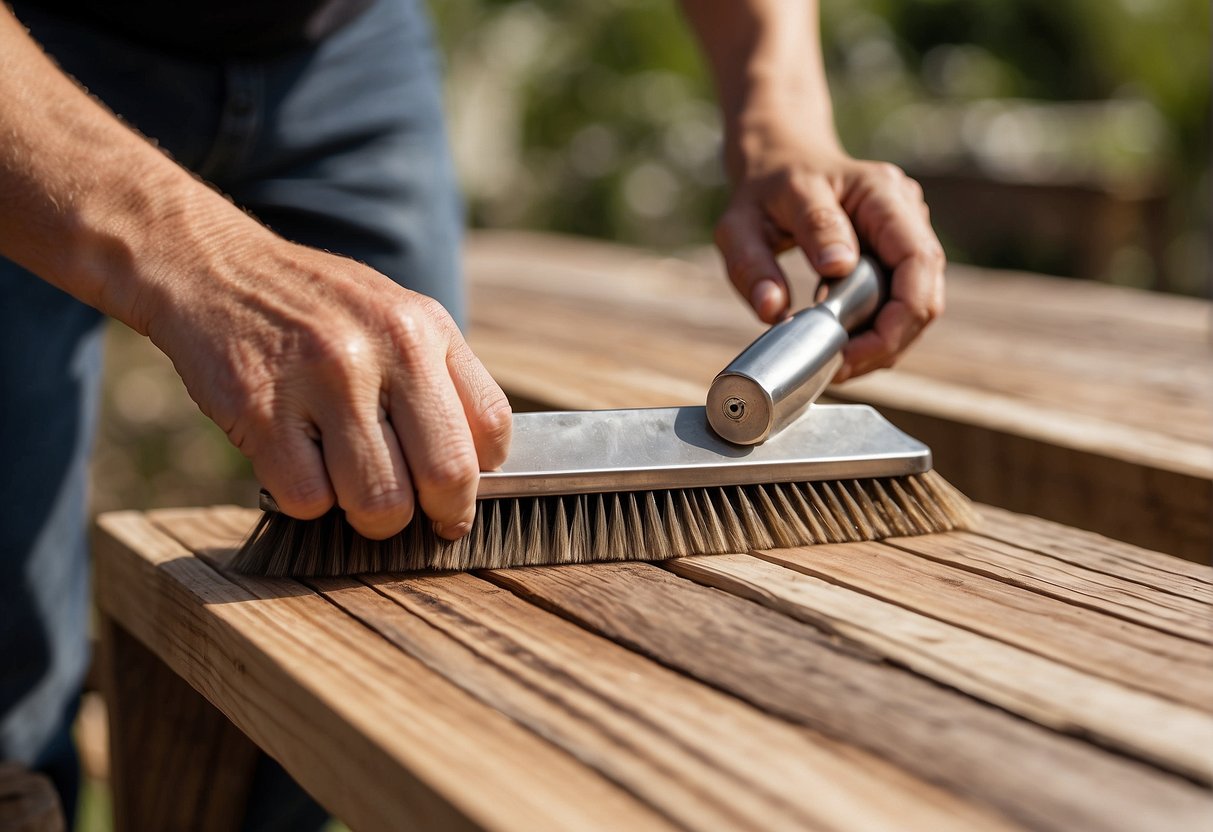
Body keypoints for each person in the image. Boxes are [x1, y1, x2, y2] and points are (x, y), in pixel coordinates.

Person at [0, 0, 945, 824]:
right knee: (10, 647)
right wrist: (193, 252)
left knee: (408, 512)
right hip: (32, 56)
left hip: (344, 44)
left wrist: (780, 113)